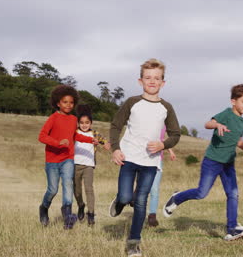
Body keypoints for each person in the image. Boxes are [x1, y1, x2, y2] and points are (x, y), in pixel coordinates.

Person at [163, 84, 243, 241]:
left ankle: (232, 229)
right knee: (201, 193)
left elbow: (238, 142)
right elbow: (208, 124)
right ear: (234, 101)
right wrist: (217, 124)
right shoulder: (226, 113)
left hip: (228, 164)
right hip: (212, 161)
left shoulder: (242, 123)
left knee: (233, 194)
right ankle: (177, 198)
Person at [109, 58, 180, 257]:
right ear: (140, 81)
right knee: (125, 196)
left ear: (162, 83)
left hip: (150, 162)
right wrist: (115, 149)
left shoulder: (166, 107)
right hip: (129, 157)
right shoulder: (132, 102)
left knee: (141, 201)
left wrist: (162, 145)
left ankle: (134, 242)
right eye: (148, 77)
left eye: (156, 78)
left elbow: (175, 134)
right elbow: (116, 126)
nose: (152, 81)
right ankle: (120, 200)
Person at [38, 85, 97, 230]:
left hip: (68, 159)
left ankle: (68, 217)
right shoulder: (53, 118)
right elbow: (42, 136)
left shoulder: (73, 119)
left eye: (71, 102)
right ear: (58, 103)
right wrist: (57, 143)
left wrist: (91, 140)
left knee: (68, 185)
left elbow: (75, 135)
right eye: (65, 102)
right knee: (52, 190)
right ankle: (44, 208)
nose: (68, 105)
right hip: (52, 160)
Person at [73, 105, 111, 226]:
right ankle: (81, 205)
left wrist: (102, 144)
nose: (84, 125)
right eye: (82, 122)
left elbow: (107, 144)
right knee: (77, 190)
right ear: (78, 123)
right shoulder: (74, 133)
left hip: (89, 165)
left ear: (91, 123)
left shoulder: (95, 134)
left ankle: (91, 214)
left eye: (87, 122)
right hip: (75, 165)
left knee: (89, 189)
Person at [147, 127, 176, 227]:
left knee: (155, 189)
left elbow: (162, 140)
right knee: (143, 189)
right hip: (143, 159)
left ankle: (152, 217)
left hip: (158, 160)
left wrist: (170, 151)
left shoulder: (163, 124)